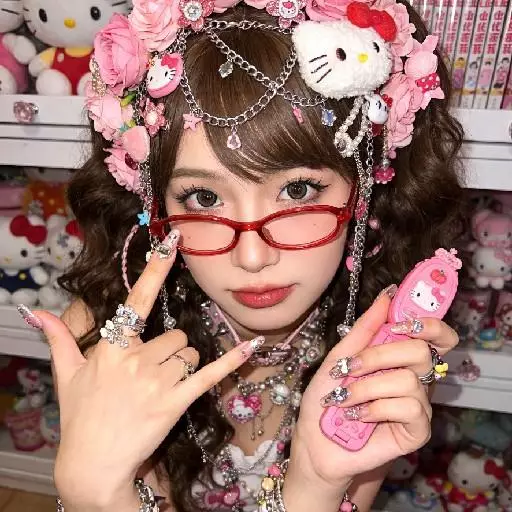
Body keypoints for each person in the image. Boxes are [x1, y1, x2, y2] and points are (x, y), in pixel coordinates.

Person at [16, 1, 466, 511]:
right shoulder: (108, 335)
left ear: (363, 192)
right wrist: (92, 495)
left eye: (298, 190)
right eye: (204, 198)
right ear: (154, 202)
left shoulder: (383, 343)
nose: (252, 257)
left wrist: (316, 486)